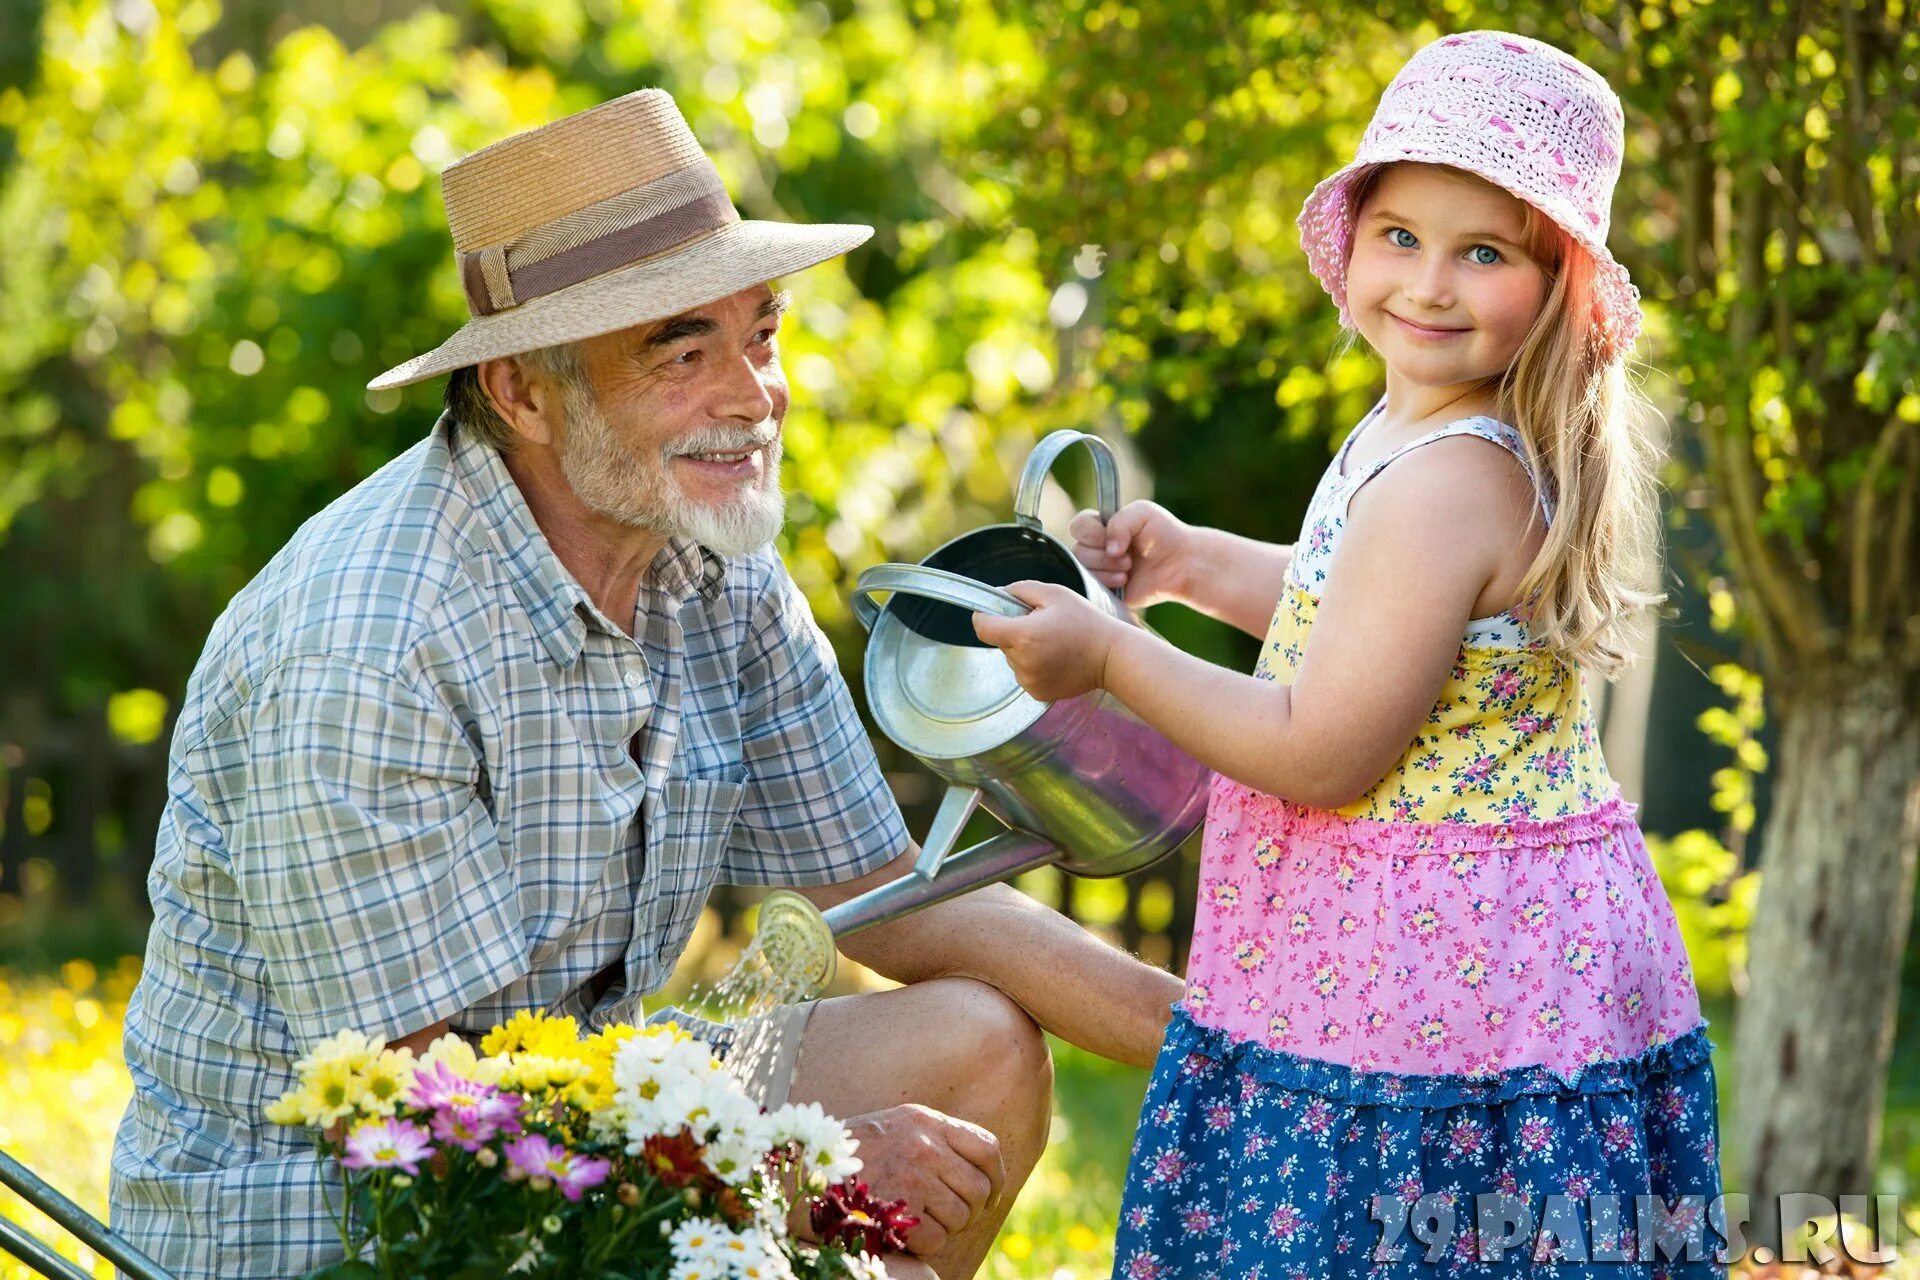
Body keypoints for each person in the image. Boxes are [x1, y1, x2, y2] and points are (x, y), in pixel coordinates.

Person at [109, 88, 1181, 1280]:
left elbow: (894, 890)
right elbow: (428, 1115)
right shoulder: (369, 645)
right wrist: (797, 1171)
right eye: (684, 352)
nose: (755, 394)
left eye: (760, 334)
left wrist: (1238, 1045)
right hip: (330, 1210)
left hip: (588, 1103)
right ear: (523, 391)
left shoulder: (707, 557)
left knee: (976, 1045)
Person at [974, 30, 1726, 1279]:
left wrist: (1110, 656)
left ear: (1556, 287)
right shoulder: (1423, 425)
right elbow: (1369, 618)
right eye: (1402, 238)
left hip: (1438, 970)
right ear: (1358, 240)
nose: (1429, 285)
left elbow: (1321, 745)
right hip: (1462, 944)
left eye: (1483, 251)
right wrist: (1196, 565)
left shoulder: (1453, 478)